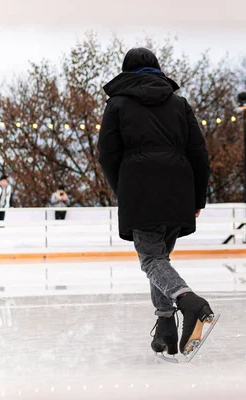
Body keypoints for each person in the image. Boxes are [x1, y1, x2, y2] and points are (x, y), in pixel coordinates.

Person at [97, 47, 217, 361]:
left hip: (140, 187)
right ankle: (165, 328)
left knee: (151, 260)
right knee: (160, 258)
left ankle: (191, 302)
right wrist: (197, 196)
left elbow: (107, 154)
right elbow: (199, 154)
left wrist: (123, 188)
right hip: (179, 188)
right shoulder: (179, 104)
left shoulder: (118, 104)